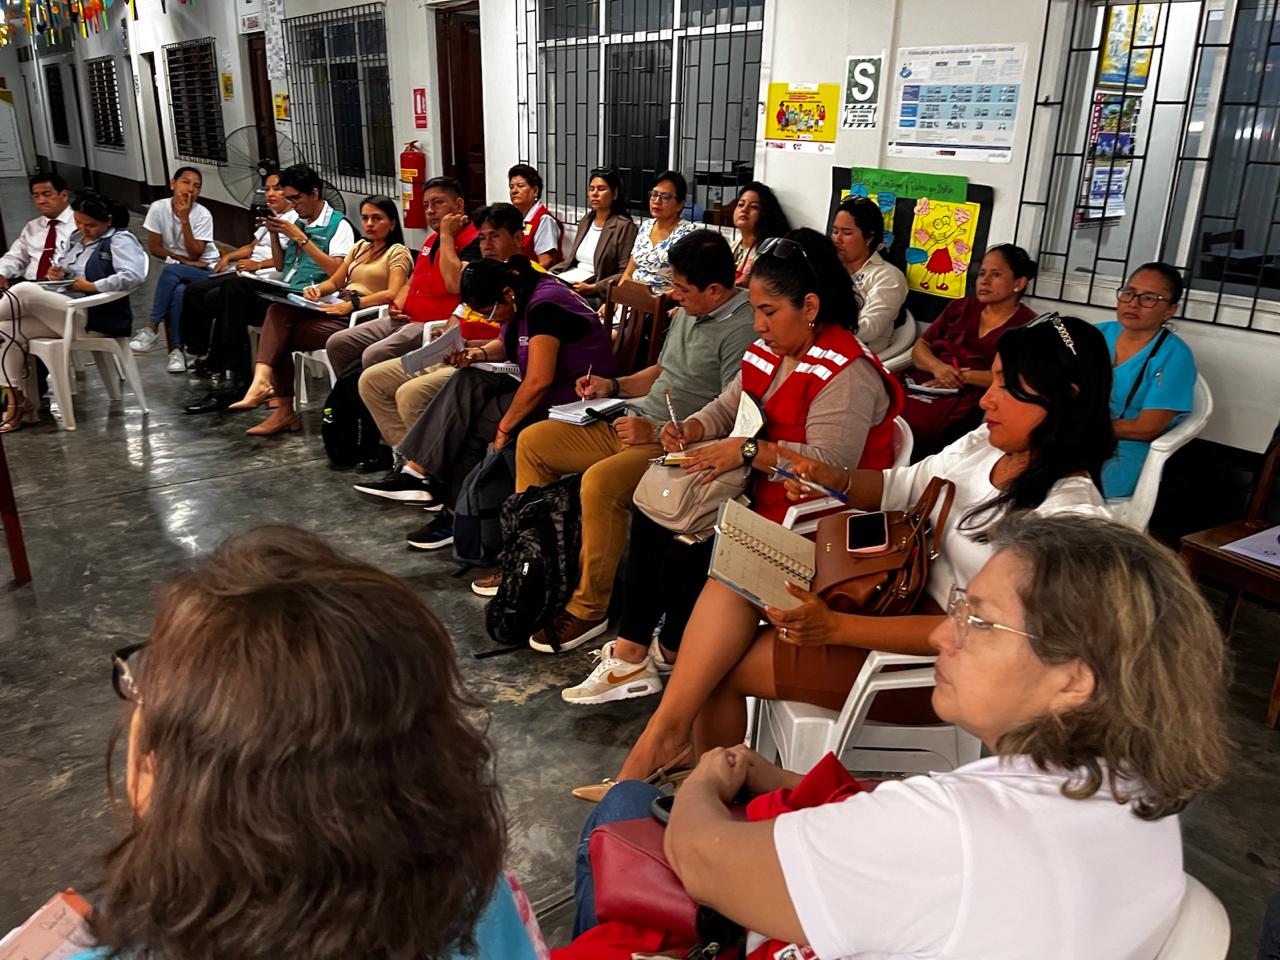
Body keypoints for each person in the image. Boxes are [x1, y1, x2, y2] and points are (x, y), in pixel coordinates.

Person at [573, 514, 1228, 958]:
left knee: (627, 810)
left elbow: (704, 861)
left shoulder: (958, 833)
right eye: (960, 607)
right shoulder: (1132, 791)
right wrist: (781, 780)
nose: (944, 633)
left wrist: (706, 783)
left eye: (980, 621)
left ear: (1074, 682)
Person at [600, 315, 1113, 793]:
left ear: (1065, 400)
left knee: (720, 671)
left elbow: (982, 635)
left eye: (1009, 388)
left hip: (929, 658)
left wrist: (838, 629)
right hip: (893, 592)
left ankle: (711, 790)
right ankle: (669, 747)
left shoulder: (1066, 520)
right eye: (995, 380)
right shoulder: (992, 444)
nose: (987, 401)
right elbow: (905, 485)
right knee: (740, 567)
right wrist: (832, 479)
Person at [72, 526, 547, 960]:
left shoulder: (122, 948)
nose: (138, 702)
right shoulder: (481, 900)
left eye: (146, 687)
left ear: (194, 785)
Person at [557, 229, 902, 702]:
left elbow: (827, 471)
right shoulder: (773, 348)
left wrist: (746, 452)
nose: (758, 325)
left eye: (768, 312)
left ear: (812, 308)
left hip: (809, 526)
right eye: (757, 310)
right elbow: (728, 404)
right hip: (755, 494)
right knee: (655, 510)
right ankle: (633, 654)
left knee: (686, 546)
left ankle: (673, 650)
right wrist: (692, 430)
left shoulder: (847, 372)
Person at [480, 230, 756, 628]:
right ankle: (532, 564)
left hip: (676, 442)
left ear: (715, 290)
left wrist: (655, 429)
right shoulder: (690, 313)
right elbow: (662, 372)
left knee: (601, 483)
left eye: (681, 288)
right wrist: (613, 387)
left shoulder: (741, 330)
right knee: (534, 441)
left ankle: (588, 608)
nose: (673, 295)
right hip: (634, 419)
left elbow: (732, 412)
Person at [393, 257, 617, 552]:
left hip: (576, 397)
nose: (490, 320)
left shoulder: (544, 306)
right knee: (468, 379)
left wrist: (504, 426)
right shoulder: (522, 295)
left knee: (476, 421)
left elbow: (539, 380)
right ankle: (426, 480)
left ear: (507, 294)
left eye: (489, 313)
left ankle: (455, 511)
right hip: (550, 387)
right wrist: (479, 354)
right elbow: (515, 343)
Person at [353, 202, 529, 490]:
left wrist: (473, 348)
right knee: (371, 379)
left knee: (411, 394)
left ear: (519, 238)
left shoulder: (524, 282)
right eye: (482, 238)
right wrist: (445, 339)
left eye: (495, 237)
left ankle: (429, 476)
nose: (486, 245)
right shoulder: (479, 273)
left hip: (487, 364)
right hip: (456, 350)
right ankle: (408, 463)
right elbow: (458, 312)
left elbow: (518, 343)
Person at [227, 196, 412, 436]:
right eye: (365, 218)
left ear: (393, 223)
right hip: (336, 308)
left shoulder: (398, 252)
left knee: (277, 337)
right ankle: (271, 395)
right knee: (277, 313)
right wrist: (317, 290)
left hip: (362, 318)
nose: (369, 224)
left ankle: (276, 402)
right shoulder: (360, 248)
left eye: (377, 218)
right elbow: (336, 281)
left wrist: (354, 303)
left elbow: (394, 292)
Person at [183, 164, 356, 414]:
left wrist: (301, 238)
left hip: (314, 297)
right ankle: (232, 373)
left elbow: (335, 272)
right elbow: (279, 263)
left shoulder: (339, 226)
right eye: (289, 199)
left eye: (296, 198)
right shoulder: (298, 219)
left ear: (315, 193)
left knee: (234, 289)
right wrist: (274, 235)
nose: (293, 204)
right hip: (289, 289)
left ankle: (233, 376)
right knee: (218, 295)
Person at [0, 190, 147, 432]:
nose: (83, 229)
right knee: (6, 330)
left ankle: (18, 404)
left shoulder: (120, 240)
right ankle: (16, 402)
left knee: (24, 289)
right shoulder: (77, 238)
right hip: (67, 309)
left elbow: (133, 276)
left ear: (108, 221)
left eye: (90, 225)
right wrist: (59, 274)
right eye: (79, 222)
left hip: (95, 317)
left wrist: (93, 286)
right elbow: (69, 270)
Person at [325, 176, 482, 376]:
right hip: (404, 317)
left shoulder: (473, 241)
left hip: (432, 323)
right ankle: (353, 399)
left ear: (458, 205)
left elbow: (454, 285)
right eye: (426, 205)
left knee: (374, 354)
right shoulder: (431, 239)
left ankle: (373, 400)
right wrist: (396, 306)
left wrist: (446, 235)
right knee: (338, 343)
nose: (430, 211)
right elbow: (411, 282)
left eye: (438, 203)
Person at [899, 243, 1037, 458]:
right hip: (926, 385)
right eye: (982, 273)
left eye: (995, 274)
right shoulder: (960, 307)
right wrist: (938, 368)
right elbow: (920, 348)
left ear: (1018, 283)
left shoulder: (1028, 327)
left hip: (973, 401)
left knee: (931, 435)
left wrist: (962, 376)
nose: (984, 280)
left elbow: (1016, 379)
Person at [180, 169, 299, 374]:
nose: (270, 194)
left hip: (266, 275)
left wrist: (258, 265)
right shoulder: (273, 217)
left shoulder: (294, 221)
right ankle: (202, 351)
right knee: (193, 291)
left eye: (277, 189)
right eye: (267, 189)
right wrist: (228, 257)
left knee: (214, 297)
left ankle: (224, 360)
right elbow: (252, 246)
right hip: (248, 270)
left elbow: (290, 260)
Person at [1099, 262, 1197, 498]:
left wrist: (1085, 428)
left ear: (1170, 310)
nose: (1133, 303)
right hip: (1074, 438)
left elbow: (1146, 428)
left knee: (1065, 487)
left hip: (1125, 450)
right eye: (1128, 293)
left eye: (1149, 298)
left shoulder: (1174, 356)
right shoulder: (1097, 334)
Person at [131, 167, 221, 372]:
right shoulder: (158, 208)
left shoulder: (202, 215)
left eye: (196, 186)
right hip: (182, 267)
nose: (190, 189)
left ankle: (151, 327)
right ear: (173, 183)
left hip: (208, 269)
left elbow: (196, 254)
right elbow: (155, 248)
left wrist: (184, 219)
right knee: (178, 291)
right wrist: (183, 261)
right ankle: (176, 352)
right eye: (185, 182)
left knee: (170, 272)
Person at [830, 194, 908, 355]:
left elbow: (869, 328)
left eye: (846, 233)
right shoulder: (829, 267)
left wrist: (819, 327)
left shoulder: (888, 276)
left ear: (869, 238)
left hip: (859, 358)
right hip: (823, 349)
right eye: (835, 231)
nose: (837, 239)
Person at [552, 167, 637, 306]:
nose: (595, 194)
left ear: (615, 194)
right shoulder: (586, 220)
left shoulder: (624, 226)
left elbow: (625, 273)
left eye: (601, 189)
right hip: (572, 281)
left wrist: (595, 287)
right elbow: (571, 260)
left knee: (554, 301)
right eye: (592, 189)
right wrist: (549, 274)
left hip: (597, 292)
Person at [615, 171, 698, 296]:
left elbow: (688, 284)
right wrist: (616, 298)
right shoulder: (646, 226)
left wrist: (653, 302)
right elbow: (629, 273)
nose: (657, 201)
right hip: (632, 300)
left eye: (665, 197)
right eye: (654, 195)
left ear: (680, 204)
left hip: (664, 304)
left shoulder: (688, 234)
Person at [0, 172, 75, 287]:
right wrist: (2, 273)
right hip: (28, 284)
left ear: (64, 195)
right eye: (36, 196)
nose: (41, 201)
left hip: (61, 285)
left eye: (47, 194)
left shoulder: (80, 225)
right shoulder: (32, 226)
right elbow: (15, 256)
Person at [729, 181, 790, 286]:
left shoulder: (768, 251)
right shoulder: (734, 245)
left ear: (765, 213)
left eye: (754, 207)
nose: (744, 209)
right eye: (741, 204)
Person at [508, 162, 563, 267]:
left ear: (535, 191)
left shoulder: (544, 220)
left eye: (520, 186)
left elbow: (546, 261)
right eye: (511, 187)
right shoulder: (513, 217)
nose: (514, 191)